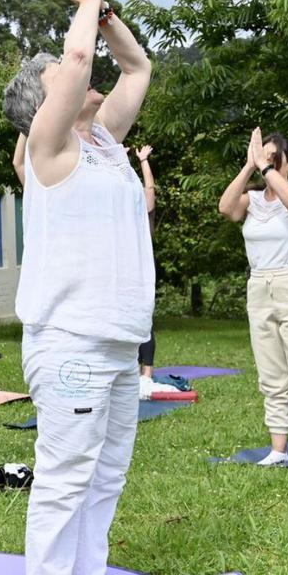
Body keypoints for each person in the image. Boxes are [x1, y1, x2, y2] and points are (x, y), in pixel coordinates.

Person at [1, 0, 154, 575]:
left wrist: (106, 8)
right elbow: (82, 63)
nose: (73, 66)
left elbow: (138, 67)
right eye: (60, 70)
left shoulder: (105, 142)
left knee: (107, 469)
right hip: (70, 341)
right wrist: (84, 4)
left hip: (119, 341)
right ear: (43, 100)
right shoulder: (50, 147)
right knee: (66, 471)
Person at [218, 127, 288, 470]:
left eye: (273, 159)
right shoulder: (251, 200)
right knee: (271, 371)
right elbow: (225, 208)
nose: (266, 163)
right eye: (261, 156)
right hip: (259, 286)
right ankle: (278, 447)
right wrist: (250, 167)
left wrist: (267, 170)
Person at [135, 145, 158, 392]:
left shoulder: (144, 214)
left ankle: (147, 372)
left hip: (142, 271)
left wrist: (143, 161)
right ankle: (132, 369)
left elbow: (149, 191)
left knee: (145, 321)